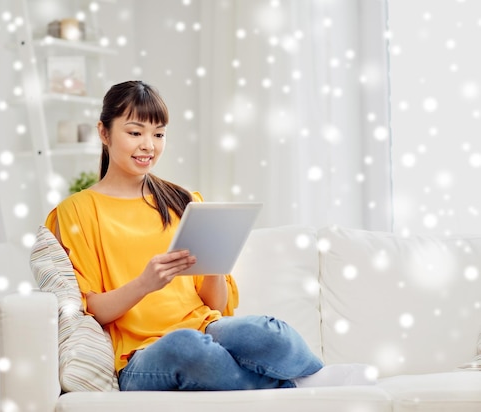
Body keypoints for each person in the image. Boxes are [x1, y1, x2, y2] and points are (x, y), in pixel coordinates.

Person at [45, 80, 368, 391]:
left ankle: (312, 378)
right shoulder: (76, 211)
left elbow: (217, 304)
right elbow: (92, 310)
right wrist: (145, 283)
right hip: (139, 356)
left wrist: (215, 262)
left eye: (159, 134)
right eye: (135, 132)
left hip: (206, 329)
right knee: (188, 347)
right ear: (104, 132)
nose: (149, 145)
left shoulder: (182, 200)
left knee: (267, 331)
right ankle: (300, 385)